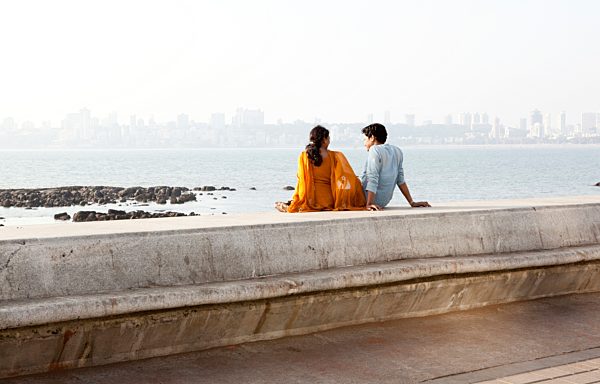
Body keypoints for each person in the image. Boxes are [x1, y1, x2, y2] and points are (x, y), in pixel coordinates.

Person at [275, 125, 366, 212]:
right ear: (324, 140)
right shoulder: (335, 156)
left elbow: (301, 179)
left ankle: (287, 206)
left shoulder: (304, 155)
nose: (330, 140)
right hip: (329, 201)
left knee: (285, 205)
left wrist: (298, 199)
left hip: (311, 200)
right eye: (328, 138)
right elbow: (345, 177)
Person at [360, 123, 430, 211]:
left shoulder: (374, 150)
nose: (364, 143)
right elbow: (400, 180)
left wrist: (369, 204)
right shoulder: (397, 150)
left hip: (367, 199)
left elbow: (372, 178)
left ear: (372, 138)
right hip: (384, 201)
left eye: (365, 140)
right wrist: (412, 202)